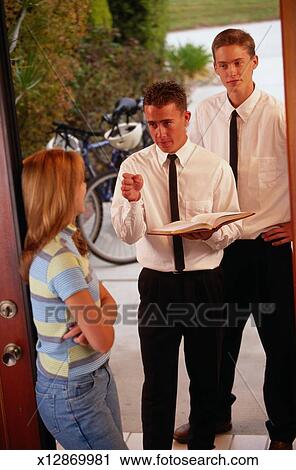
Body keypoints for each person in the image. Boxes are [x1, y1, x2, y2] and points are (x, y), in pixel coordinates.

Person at [174, 28, 296, 450]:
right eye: (222, 64)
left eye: (237, 63)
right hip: (218, 252)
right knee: (212, 343)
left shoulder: (281, 115)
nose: (230, 72)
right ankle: (211, 417)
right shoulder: (204, 113)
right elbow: (191, 175)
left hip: (268, 250)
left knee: (281, 347)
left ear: (254, 62)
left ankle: (282, 431)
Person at [111, 80, 242, 450]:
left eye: (167, 123)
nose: (159, 133)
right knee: (157, 381)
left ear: (185, 117)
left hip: (205, 284)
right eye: (152, 124)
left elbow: (233, 225)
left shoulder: (214, 167)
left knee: (206, 379)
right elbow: (127, 233)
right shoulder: (132, 168)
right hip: (157, 286)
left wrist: (211, 236)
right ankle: (154, 455)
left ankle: (202, 451)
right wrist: (133, 199)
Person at [20, 148, 127, 450]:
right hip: (73, 393)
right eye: (80, 180)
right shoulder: (60, 258)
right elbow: (103, 339)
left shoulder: (68, 239)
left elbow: (108, 302)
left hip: (95, 378)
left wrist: (98, 318)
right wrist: (100, 322)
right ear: (63, 192)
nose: (85, 185)